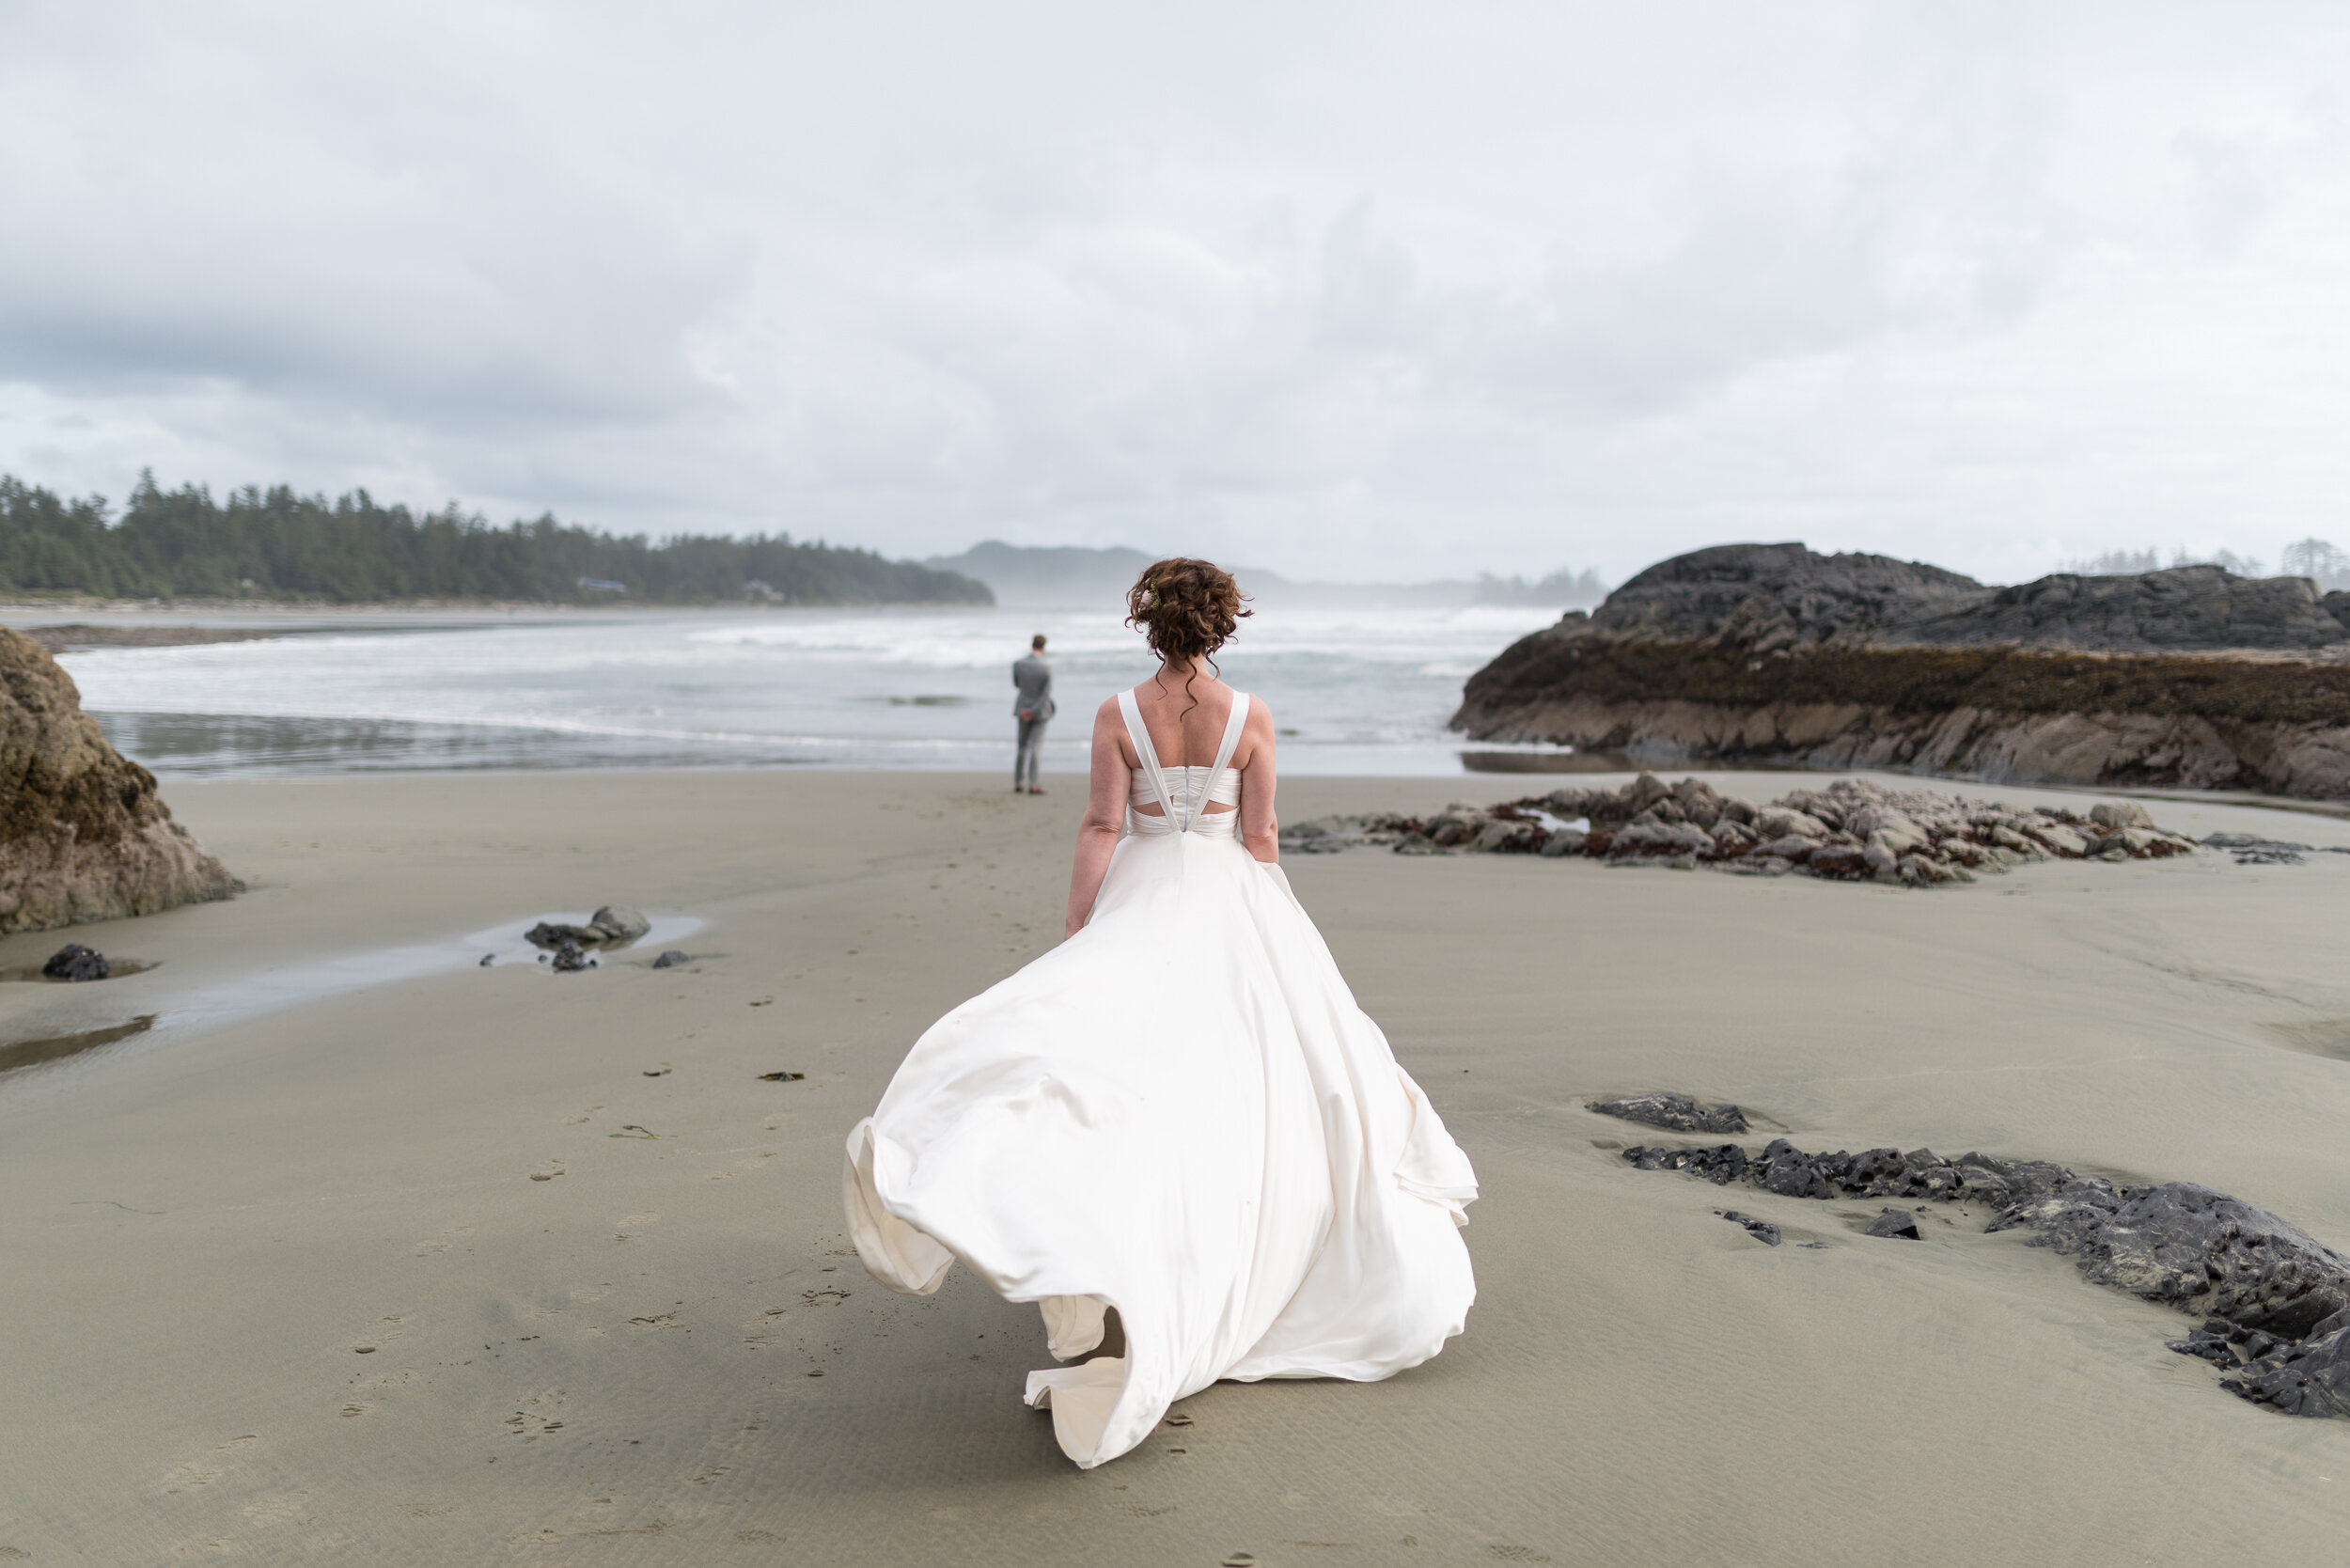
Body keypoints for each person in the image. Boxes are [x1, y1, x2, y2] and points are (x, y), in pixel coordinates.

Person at [844, 557, 1478, 1468]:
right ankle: (1233, 1245)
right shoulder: (1250, 715)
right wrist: (1282, 932)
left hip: (1141, 893)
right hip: (1233, 897)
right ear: (1220, 628)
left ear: (1149, 626)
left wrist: (1079, 924)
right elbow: (1259, 838)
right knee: (1258, 1077)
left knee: (1125, 1069)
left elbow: (1103, 826)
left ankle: (1127, 1239)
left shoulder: (1115, 713)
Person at [1012, 633, 1055, 794]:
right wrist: (1034, 710)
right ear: (1044, 647)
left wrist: (1027, 709)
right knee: (1036, 747)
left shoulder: (1018, 664)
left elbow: (1017, 685)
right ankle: (1033, 783)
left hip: (1022, 708)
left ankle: (1018, 782)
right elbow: (1046, 694)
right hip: (1040, 711)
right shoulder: (1047, 667)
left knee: (1022, 747)